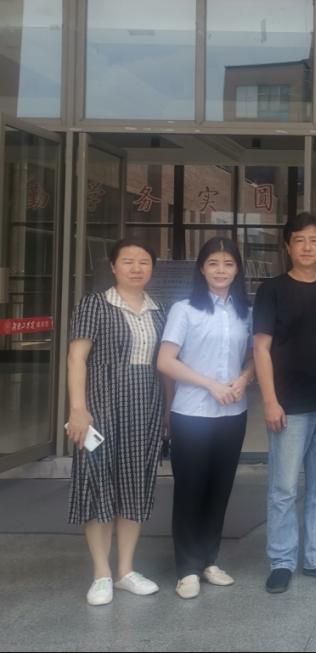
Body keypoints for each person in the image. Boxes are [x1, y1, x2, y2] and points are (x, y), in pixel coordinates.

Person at [65, 238, 167, 606]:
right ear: (113, 266)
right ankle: (101, 574)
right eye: (128, 261)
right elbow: (76, 358)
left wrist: (167, 411)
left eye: (144, 261)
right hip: (101, 407)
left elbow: (162, 366)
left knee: (135, 484)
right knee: (98, 483)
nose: (136, 268)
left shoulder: (159, 310)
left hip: (146, 407)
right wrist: (78, 409)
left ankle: (125, 570)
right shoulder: (95, 304)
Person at [253, 212, 316, 594]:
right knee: (284, 487)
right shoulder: (272, 290)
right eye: (299, 240)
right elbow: (261, 348)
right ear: (288, 245)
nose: (307, 247)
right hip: (289, 405)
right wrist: (270, 400)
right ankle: (281, 561)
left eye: (314, 240)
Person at [157, 238, 254, 600]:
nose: (221, 270)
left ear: (237, 269)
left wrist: (243, 379)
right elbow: (165, 361)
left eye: (228, 264)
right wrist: (210, 384)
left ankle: (208, 559)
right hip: (192, 413)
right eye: (213, 263)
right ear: (201, 268)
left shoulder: (245, 311)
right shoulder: (184, 310)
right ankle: (186, 568)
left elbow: (252, 356)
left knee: (219, 489)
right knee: (190, 490)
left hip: (233, 414)